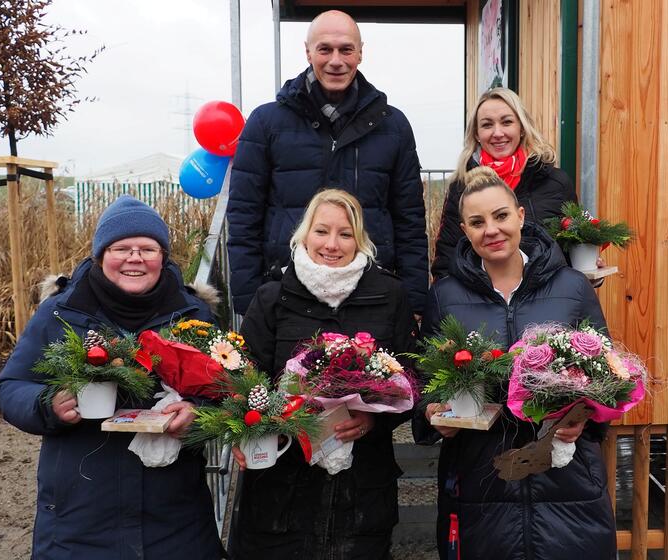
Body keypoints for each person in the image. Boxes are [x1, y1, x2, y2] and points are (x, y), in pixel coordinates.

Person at [0, 196, 223, 559]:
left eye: (147, 249)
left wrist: (196, 412)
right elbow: (11, 387)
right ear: (101, 255)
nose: (135, 258)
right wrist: (48, 405)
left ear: (163, 256)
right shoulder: (61, 312)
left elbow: (225, 390)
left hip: (174, 515)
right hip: (80, 516)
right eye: (121, 248)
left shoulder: (192, 315)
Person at [414, 168, 617, 559]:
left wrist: (585, 418)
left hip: (569, 486)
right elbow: (424, 387)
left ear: (521, 216)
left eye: (501, 215)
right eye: (477, 222)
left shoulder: (572, 287)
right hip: (481, 487)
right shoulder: (445, 296)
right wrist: (433, 414)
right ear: (464, 230)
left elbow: (608, 377)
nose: (491, 230)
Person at [230, 189, 417, 560]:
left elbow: (411, 378)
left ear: (359, 240)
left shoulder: (390, 295)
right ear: (304, 235)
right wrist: (245, 428)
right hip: (280, 492)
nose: (332, 244)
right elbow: (242, 377)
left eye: (345, 234)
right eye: (321, 231)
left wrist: (373, 419)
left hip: (361, 492)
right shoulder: (272, 297)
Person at [227, 9, 428, 317]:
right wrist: (250, 301)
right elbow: (244, 217)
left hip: (372, 293)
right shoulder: (265, 123)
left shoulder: (393, 126)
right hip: (286, 292)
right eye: (325, 49)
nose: (336, 60)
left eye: (346, 49)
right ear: (308, 52)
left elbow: (410, 221)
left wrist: (413, 303)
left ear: (360, 53)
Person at [431, 87, 577, 279]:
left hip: (548, 296)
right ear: (476, 134)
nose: (497, 133)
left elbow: (576, 248)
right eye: (487, 125)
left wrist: (591, 265)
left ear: (521, 128)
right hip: (481, 296)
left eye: (507, 122)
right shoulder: (461, 187)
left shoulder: (556, 182)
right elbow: (446, 258)